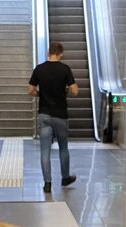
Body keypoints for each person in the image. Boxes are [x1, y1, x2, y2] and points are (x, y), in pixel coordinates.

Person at [28, 41, 79, 194]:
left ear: (48, 53)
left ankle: (47, 183)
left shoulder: (39, 69)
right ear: (61, 53)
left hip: (44, 114)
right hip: (60, 115)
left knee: (45, 150)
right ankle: (65, 177)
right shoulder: (65, 69)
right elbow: (75, 91)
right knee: (63, 147)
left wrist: (40, 94)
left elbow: (30, 90)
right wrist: (67, 90)